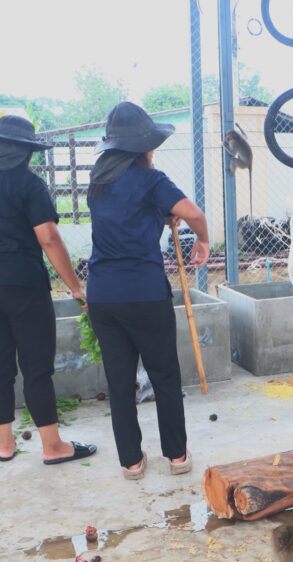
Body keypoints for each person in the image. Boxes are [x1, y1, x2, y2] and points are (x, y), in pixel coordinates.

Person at [0, 114, 97, 464]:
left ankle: (5, 444)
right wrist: (75, 287)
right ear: (24, 150)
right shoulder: (28, 183)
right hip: (23, 283)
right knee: (36, 365)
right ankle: (52, 447)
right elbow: (49, 238)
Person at [85, 102, 210, 480]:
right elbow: (194, 214)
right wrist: (202, 240)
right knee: (164, 374)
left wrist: (160, 214)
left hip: (103, 295)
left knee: (119, 380)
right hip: (144, 292)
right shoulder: (152, 180)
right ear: (144, 147)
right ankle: (176, 456)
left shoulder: (97, 182)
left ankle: (132, 462)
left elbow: (126, 217)